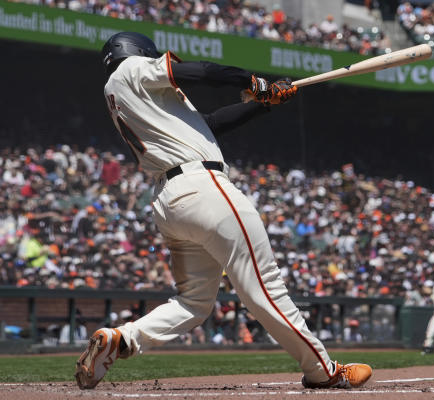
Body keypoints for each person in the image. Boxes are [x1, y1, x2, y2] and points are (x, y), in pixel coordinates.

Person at [75, 32, 372, 390]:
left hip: (171, 202)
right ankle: (324, 370)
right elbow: (199, 72)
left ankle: (121, 339)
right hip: (203, 188)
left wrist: (264, 102)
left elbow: (211, 124)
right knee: (266, 288)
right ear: (137, 51)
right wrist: (253, 81)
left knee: (193, 304)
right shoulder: (131, 70)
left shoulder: (137, 99)